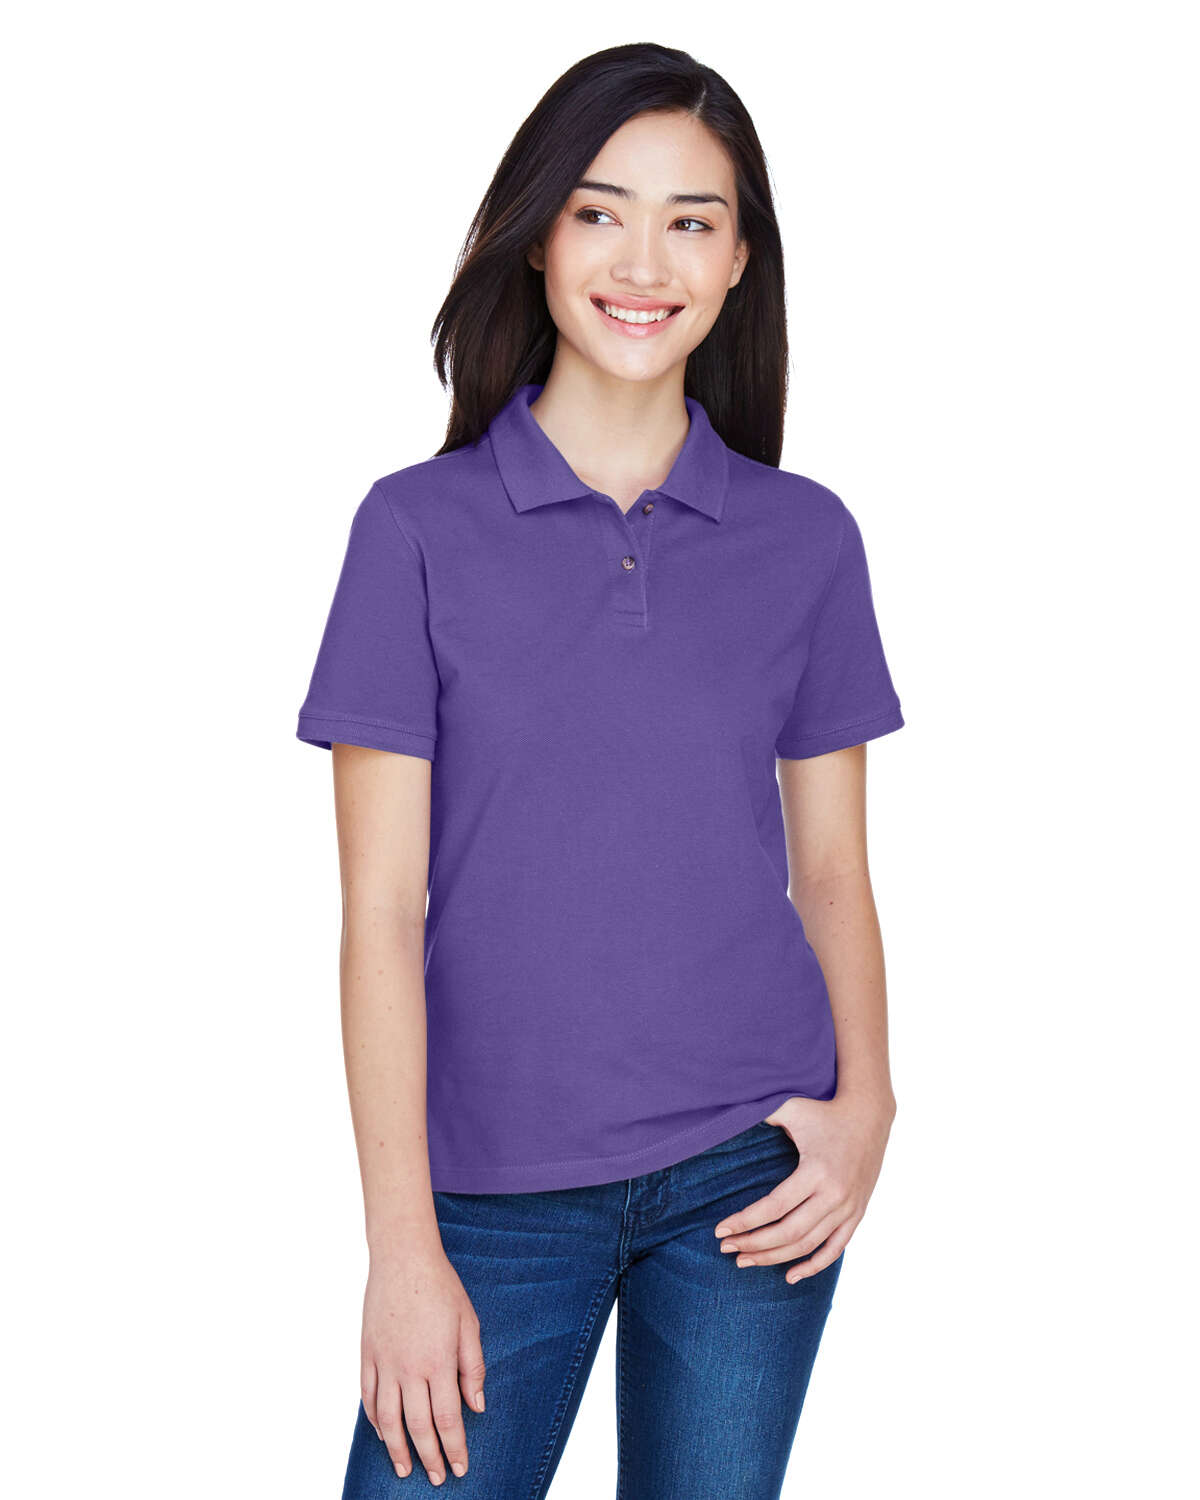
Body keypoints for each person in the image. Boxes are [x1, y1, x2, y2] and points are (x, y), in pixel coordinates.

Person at [295, 42, 905, 1499]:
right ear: (537, 238)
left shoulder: (806, 539)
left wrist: (870, 1106)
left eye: (693, 220)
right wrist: (400, 1245)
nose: (645, 262)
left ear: (741, 260)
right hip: (489, 1195)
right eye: (600, 212)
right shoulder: (414, 531)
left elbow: (832, 870)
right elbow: (381, 913)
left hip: (748, 1175)